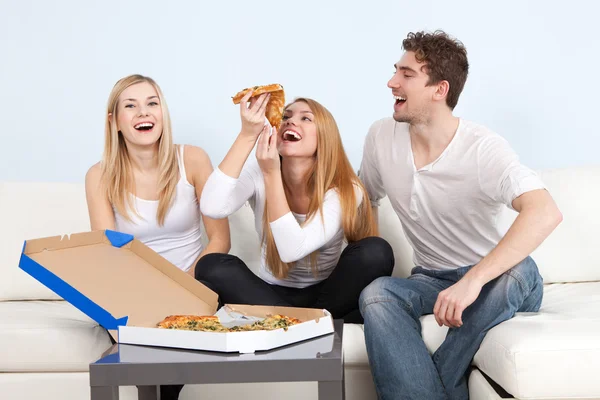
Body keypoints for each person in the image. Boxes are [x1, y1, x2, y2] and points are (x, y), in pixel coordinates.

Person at [357, 31, 562, 400]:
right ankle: (448, 385)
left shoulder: (483, 149)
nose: (392, 82)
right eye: (395, 71)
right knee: (377, 294)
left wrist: (472, 282)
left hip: (495, 278)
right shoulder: (380, 137)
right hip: (430, 279)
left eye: (406, 74)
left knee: (520, 269)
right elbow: (363, 199)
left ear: (439, 89)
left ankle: (443, 380)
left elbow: (545, 211)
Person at [85, 74, 231, 400]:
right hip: (134, 291)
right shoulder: (99, 175)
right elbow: (106, 253)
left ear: (163, 113)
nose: (143, 113)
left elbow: (220, 240)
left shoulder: (192, 159)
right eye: (131, 106)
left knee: (169, 349)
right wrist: (149, 296)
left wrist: (186, 286)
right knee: (145, 347)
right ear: (115, 121)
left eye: (152, 103)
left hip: (193, 286)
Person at [197, 92, 395, 323]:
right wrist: (247, 135)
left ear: (325, 137)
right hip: (268, 295)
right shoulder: (258, 171)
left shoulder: (346, 188)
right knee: (211, 266)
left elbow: (293, 249)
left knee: (376, 251)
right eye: (286, 116)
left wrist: (271, 173)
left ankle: (287, 323)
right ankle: (305, 324)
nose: (291, 121)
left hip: (328, 296)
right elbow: (212, 207)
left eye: (306, 119)